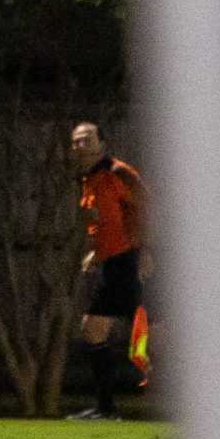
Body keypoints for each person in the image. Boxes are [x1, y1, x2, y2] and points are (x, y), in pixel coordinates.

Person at [68, 120, 149, 420]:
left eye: (87, 139)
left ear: (102, 143)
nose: (81, 144)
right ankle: (106, 408)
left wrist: (144, 251)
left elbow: (146, 209)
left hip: (127, 260)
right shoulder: (89, 178)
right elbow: (104, 221)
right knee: (93, 331)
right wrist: (95, 252)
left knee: (153, 333)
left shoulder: (118, 172)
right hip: (113, 261)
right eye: (76, 140)